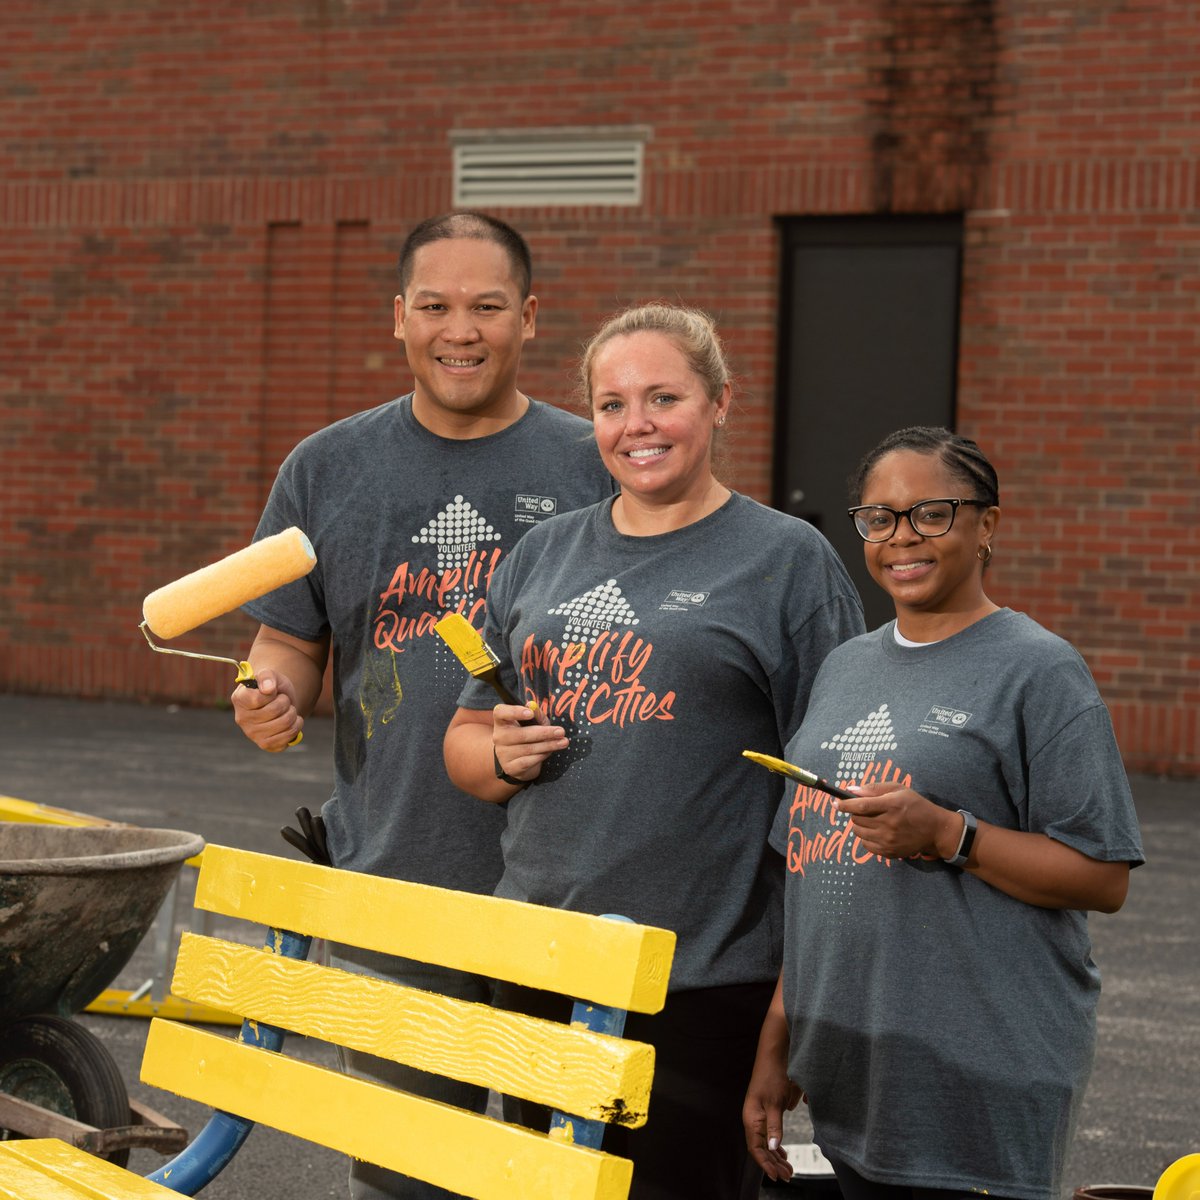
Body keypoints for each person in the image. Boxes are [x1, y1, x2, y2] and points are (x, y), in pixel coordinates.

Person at [230, 211, 614, 1200]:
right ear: (398, 317)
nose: (461, 329)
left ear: (530, 318)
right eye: (436, 305)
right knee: (407, 1182)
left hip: (567, 890)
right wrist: (267, 692)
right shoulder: (326, 469)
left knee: (558, 1183)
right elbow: (287, 647)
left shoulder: (598, 463)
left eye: (487, 306)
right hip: (392, 883)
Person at [443, 302, 865, 1199]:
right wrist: (501, 755)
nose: (635, 425)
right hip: (540, 956)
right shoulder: (544, 553)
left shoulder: (786, 561)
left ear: (719, 403)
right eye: (610, 404)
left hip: (702, 980)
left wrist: (792, 1015)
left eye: (663, 397)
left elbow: (833, 800)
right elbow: (466, 742)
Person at [743, 426, 1145, 1200]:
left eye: (932, 514)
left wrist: (951, 835)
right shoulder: (845, 667)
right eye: (880, 518)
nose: (903, 538)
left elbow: (1102, 876)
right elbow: (813, 867)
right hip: (855, 1067)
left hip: (978, 1070)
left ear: (987, 524)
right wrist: (779, 1040)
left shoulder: (1038, 669)